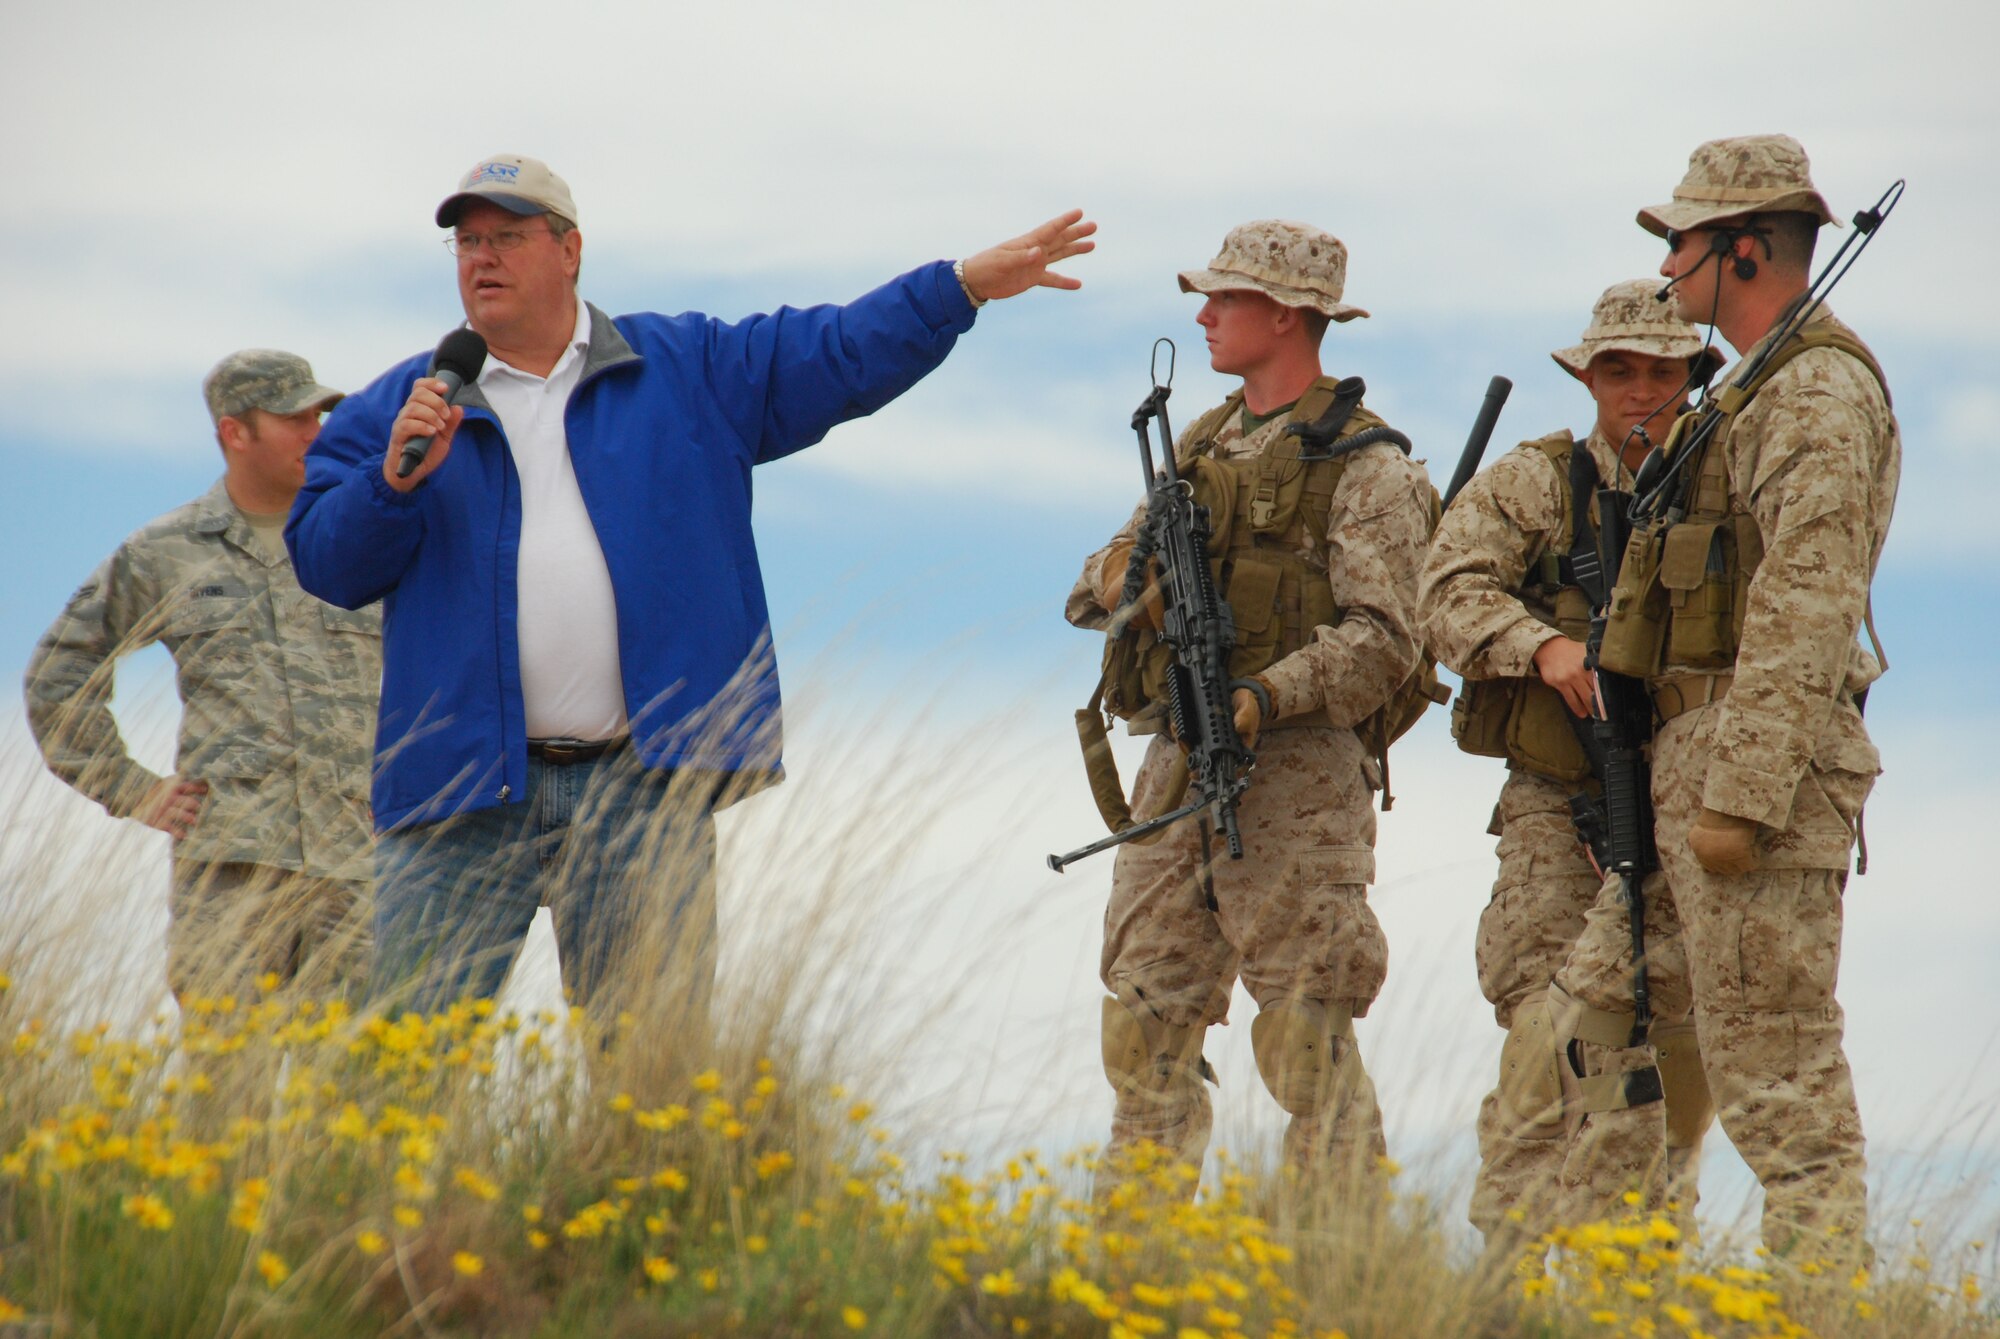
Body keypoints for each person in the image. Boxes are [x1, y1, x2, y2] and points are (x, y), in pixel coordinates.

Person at [288, 153, 1095, 1021]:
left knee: (651, 1073)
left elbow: (838, 350)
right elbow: (326, 563)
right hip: (457, 792)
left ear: (570, 250)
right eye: (468, 242)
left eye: (507, 237)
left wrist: (959, 287)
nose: (482, 257)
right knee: (405, 1064)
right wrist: (391, 484)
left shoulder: (686, 369)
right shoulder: (400, 407)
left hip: (639, 790)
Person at [1547, 134, 1898, 1260]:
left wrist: (1741, 800)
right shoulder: (1751, 393)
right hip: (1683, 773)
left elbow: (1808, 598)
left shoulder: (1813, 392)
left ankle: (1820, 1311)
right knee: (1600, 1020)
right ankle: (1620, 1290)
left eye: (1683, 242)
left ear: (1743, 249)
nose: (1666, 268)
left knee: (1775, 1079)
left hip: (1750, 781)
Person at [1064, 221, 1434, 1195]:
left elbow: (1386, 639)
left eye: (1225, 299)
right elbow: (1092, 581)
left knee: (1306, 1042)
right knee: (1143, 1031)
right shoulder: (1198, 448)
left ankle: (1339, 1253)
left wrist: (1268, 692)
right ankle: (1130, 1258)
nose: (1204, 316)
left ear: (1284, 316)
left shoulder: (1367, 466)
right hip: (1176, 764)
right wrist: (1133, 580)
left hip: (1297, 779)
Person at [1419, 281, 1723, 1265]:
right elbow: (1443, 589)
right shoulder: (1537, 480)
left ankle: (1637, 1271)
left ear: (1691, 376)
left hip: (1690, 808)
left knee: (1672, 1052)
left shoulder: (1727, 476)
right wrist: (1539, 647)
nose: (1637, 389)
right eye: (1616, 369)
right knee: (1546, 1031)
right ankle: (1508, 1271)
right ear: (1587, 377)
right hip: (1557, 804)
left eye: (1660, 370)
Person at [25, 350, 375, 1001]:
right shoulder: (165, 551)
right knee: (227, 1061)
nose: (315, 432)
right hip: (229, 879)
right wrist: (132, 789)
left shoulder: (362, 536)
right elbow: (58, 675)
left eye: (318, 416)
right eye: (293, 418)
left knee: (372, 1061)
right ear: (235, 433)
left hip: (362, 876)